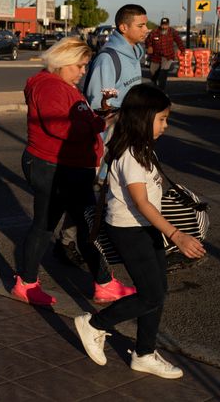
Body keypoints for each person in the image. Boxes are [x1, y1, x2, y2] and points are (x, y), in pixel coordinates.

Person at [74, 84, 205, 379]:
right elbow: (142, 203)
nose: (166, 126)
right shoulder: (131, 154)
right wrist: (177, 235)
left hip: (144, 228)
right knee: (150, 295)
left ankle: (144, 353)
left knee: (157, 291)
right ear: (143, 117)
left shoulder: (141, 147)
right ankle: (94, 324)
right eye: (161, 119)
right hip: (130, 230)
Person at [12, 38, 135, 306]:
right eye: (80, 65)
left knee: (63, 224)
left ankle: (99, 282)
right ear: (63, 62)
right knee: (69, 225)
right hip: (55, 167)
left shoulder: (60, 85)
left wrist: (99, 117)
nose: (83, 71)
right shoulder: (49, 86)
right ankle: (99, 283)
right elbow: (59, 127)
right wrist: (98, 124)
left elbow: (76, 118)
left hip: (64, 167)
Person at [84, 4, 148, 109]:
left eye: (145, 25)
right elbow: (97, 105)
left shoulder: (135, 53)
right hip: (116, 124)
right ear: (123, 27)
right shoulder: (107, 59)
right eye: (140, 26)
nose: (146, 29)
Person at [146, 17, 183, 90]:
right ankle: (154, 84)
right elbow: (148, 40)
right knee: (153, 72)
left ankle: (161, 89)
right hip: (155, 57)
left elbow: (179, 41)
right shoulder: (154, 31)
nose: (164, 27)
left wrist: (182, 50)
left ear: (168, 25)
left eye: (166, 25)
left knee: (163, 73)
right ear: (160, 24)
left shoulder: (172, 32)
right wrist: (149, 46)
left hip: (167, 57)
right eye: (163, 25)